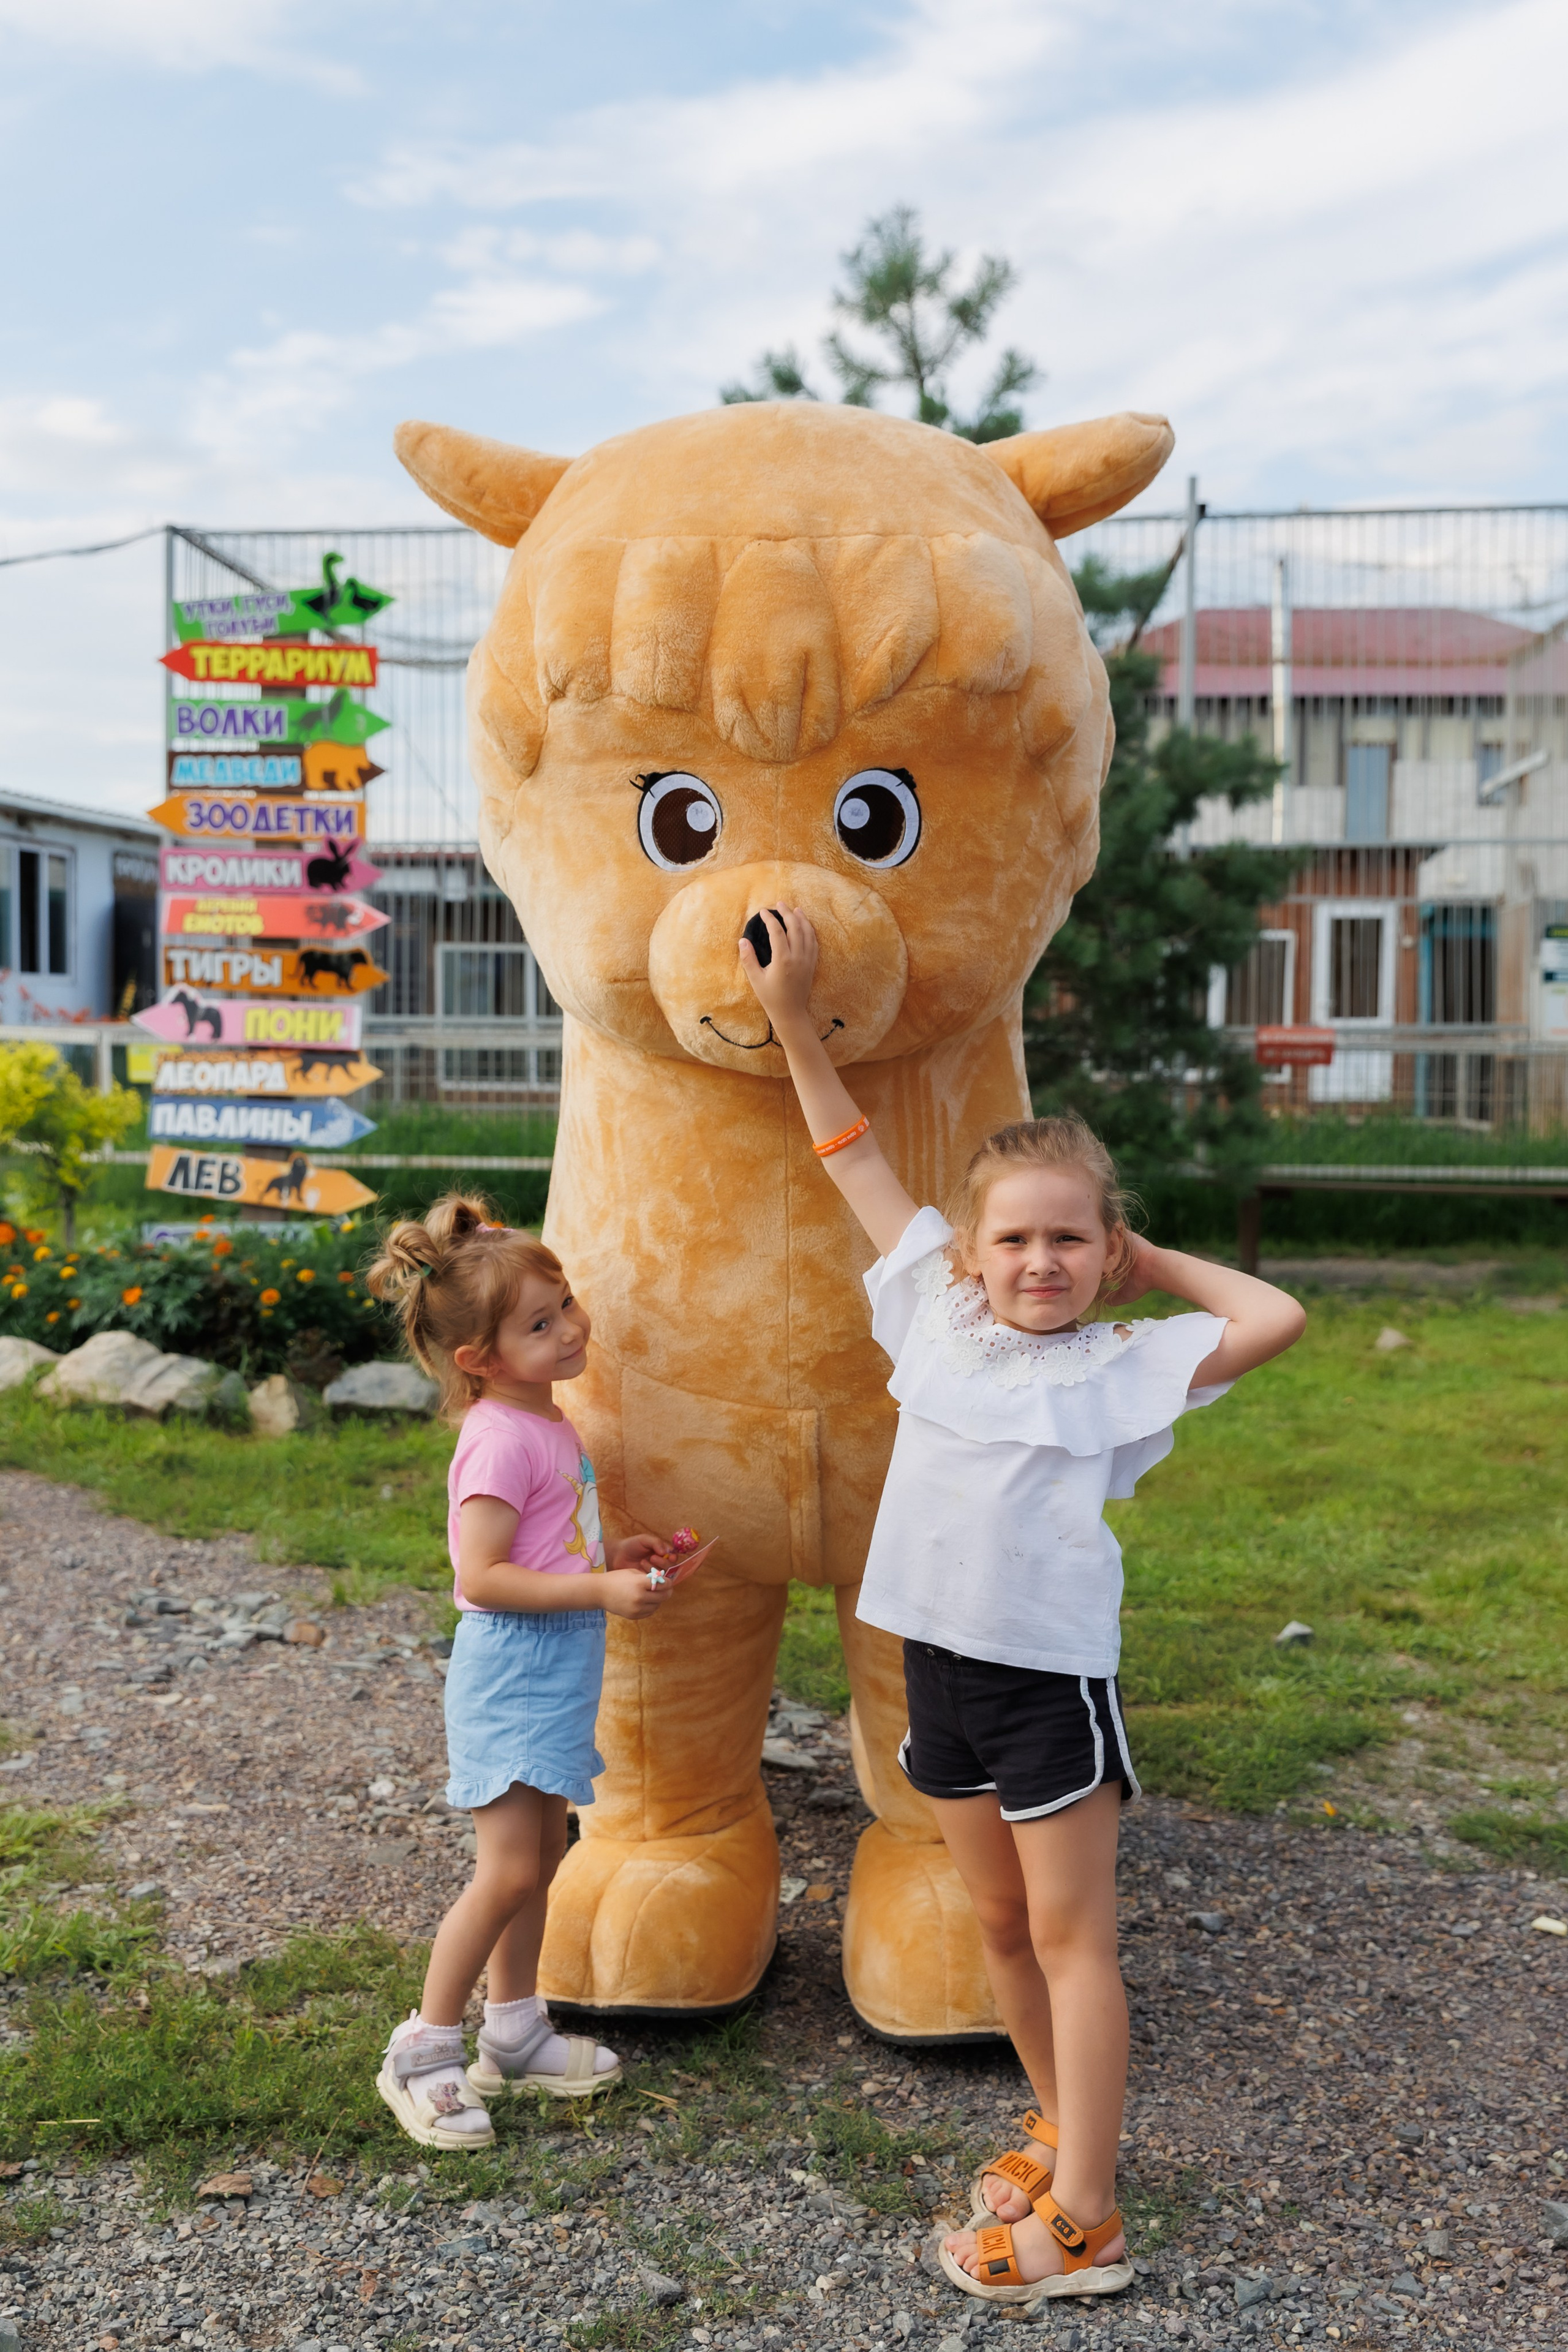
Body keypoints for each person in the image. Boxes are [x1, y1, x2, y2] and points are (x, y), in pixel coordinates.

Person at [740, 911, 1305, 2309]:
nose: (1037, 1260)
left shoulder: (1124, 1362)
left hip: (1050, 1681)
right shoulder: (931, 1318)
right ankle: (1059, 2132)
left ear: (1100, 1250)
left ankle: (1090, 2221)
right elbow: (851, 1154)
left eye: (1068, 1239)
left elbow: (1275, 1315)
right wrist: (794, 1014)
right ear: (973, 1253)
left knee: (1071, 1943)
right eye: (1014, 1239)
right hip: (936, 1661)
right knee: (995, 1926)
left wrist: (1156, 1263)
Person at [364, 1195, 670, 2150]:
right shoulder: (497, 1437)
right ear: (477, 1361)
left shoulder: (546, 1419)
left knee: (541, 1858)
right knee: (504, 1873)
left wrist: (612, 1550)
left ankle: (515, 2028)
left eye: (567, 1304)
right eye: (542, 1324)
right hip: (513, 1673)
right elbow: (483, 1575)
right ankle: (422, 2049)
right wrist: (601, 1592)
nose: (573, 1326)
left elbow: (546, 1541)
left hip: (554, 1669)